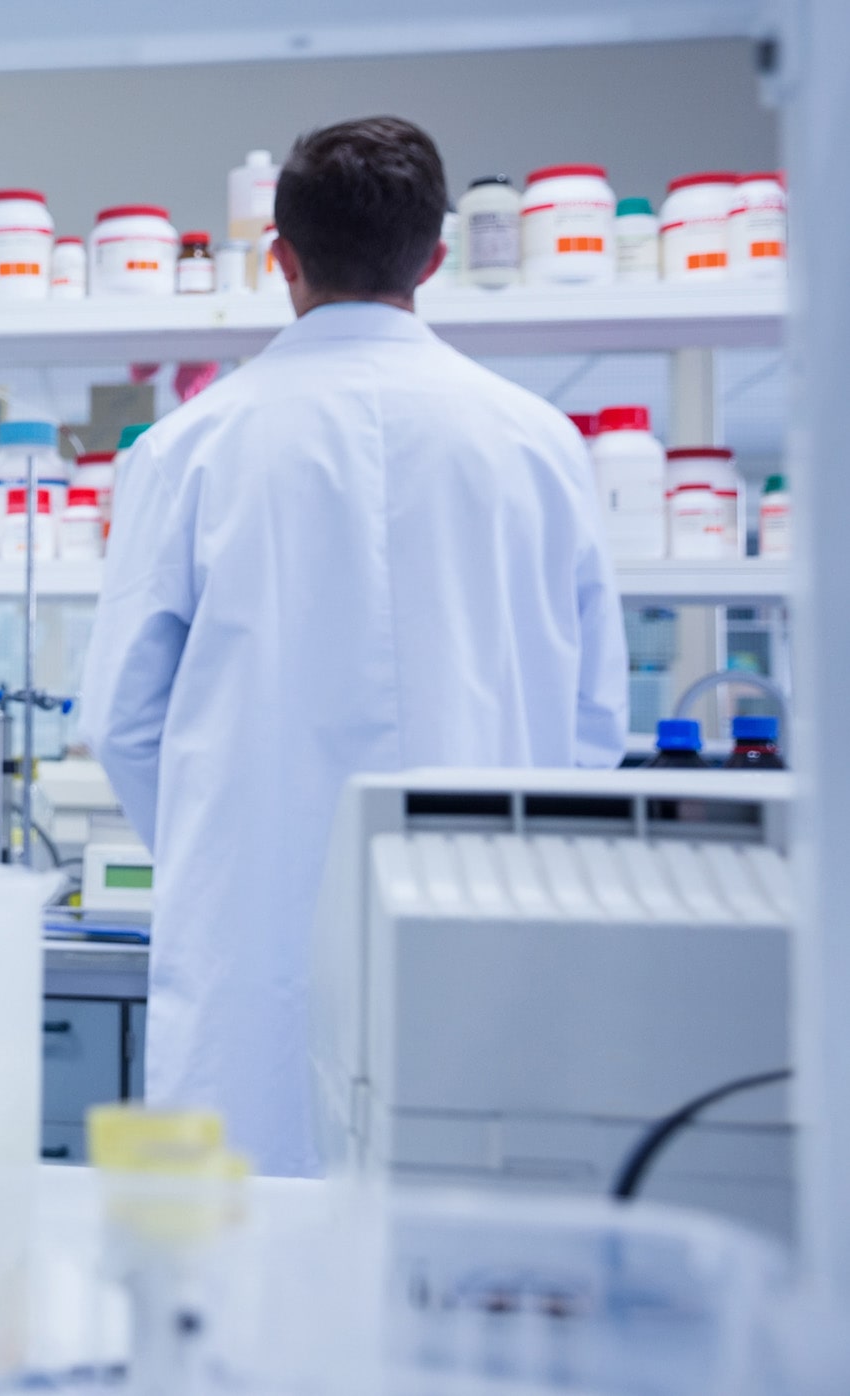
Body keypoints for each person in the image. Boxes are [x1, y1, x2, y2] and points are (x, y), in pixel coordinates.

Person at [77, 117, 628, 1177]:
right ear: (435, 256)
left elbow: (121, 722)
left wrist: (222, 850)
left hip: (254, 948)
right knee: (462, 1250)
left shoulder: (187, 449)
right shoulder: (538, 445)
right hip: (487, 933)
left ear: (277, 255)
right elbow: (594, 728)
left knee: (244, 1274)